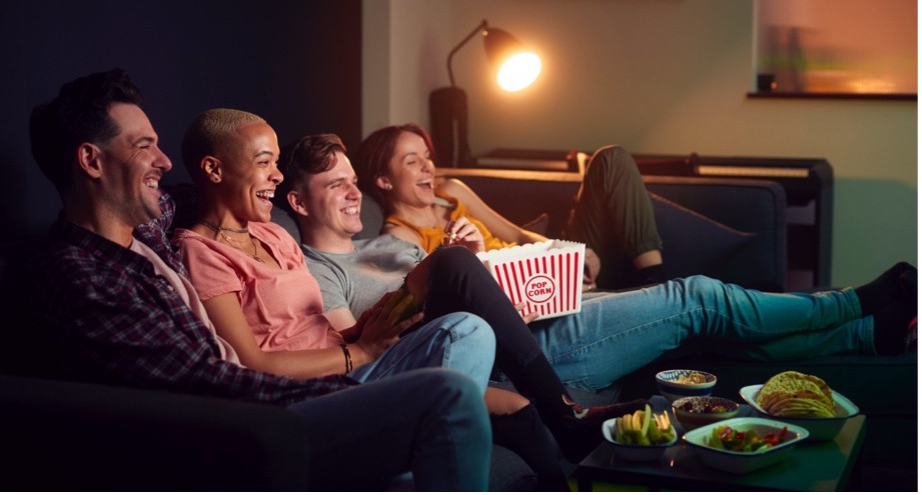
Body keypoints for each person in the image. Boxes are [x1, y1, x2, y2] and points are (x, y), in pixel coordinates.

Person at [26, 69, 493, 491]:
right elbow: (210, 383)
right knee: (444, 394)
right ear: (91, 161)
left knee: (464, 336)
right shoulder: (83, 277)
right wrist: (357, 380)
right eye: (143, 146)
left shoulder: (145, 227)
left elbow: (204, 193)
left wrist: (250, 185)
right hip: (243, 428)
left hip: (283, 396)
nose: (164, 161)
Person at [175, 109, 645, 478]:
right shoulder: (201, 252)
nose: (276, 176)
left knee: (467, 314)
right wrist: (358, 351)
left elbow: (322, 328)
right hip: (322, 389)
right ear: (214, 169)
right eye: (264, 163)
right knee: (456, 281)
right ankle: (561, 416)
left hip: (354, 357)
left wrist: (372, 327)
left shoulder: (275, 236)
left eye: (277, 163)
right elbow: (252, 362)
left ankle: (556, 425)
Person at [283, 131, 916, 401]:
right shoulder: (326, 269)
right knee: (694, 298)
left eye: (348, 182)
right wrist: (454, 273)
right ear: (297, 201)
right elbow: (362, 351)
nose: (350, 194)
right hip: (525, 350)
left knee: (701, 330)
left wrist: (498, 256)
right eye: (336, 183)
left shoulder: (387, 244)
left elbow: (504, 250)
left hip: (544, 310)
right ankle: (848, 304)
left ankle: (864, 333)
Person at [357, 123, 664, 290]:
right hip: (529, 292)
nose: (428, 167)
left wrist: (567, 253)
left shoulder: (452, 192)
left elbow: (517, 237)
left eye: (427, 155)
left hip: (558, 268)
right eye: (412, 161)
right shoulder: (400, 237)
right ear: (384, 180)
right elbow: (455, 294)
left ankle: (653, 278)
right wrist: (555, 280)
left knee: (611, 159)